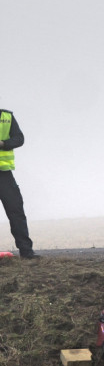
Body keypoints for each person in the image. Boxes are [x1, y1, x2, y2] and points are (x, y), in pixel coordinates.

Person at [0, 108, 37, 259]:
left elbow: (19, 139)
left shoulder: (7, 117)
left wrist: (3, 143)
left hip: (4, 174)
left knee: (16, 211)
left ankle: (27, 253)